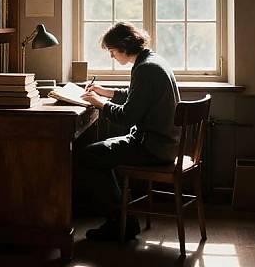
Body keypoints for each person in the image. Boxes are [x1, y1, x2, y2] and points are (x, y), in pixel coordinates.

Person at [75, 21, 180, 242]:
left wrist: (100, 104)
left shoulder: (145, 69)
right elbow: (137, 98)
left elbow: (127, 118)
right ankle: (122, 217)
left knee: (88, 156)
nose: (112, 57)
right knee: (97, 154)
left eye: (112, 51)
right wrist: (106, 92)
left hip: (152, 147)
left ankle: (120, 222)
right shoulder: (152, 61)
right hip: (162, 143)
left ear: (124, 46)